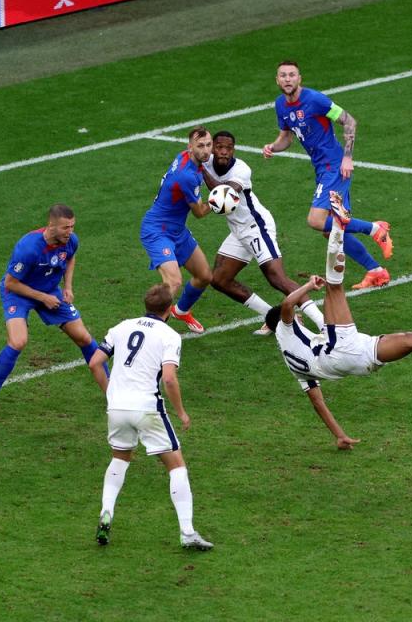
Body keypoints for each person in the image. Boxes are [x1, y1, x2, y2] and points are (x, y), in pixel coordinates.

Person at [265, 198, 412, 449]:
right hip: (338, 351)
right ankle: (339, 225)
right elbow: (287, 305)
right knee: (334, 287)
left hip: (356, 361)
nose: (298, 316)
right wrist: (307, 286)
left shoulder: (293, 364)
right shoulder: (284, 330)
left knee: (411, 339)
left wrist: (339, 434)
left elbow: (318, 402)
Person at [88, 284, 213, 550]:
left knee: (119, 458)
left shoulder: (121, 327)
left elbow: (95, 362)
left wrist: (111, 393)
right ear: (169, 309)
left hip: (117, 407)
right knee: (176, 465)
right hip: (146, 407)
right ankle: (188, 532)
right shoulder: (169, 336)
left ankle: (106, 512)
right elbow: (168, 377)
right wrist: (181, 412)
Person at [262, 59, 393, 290]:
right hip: (322, 168)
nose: (288, 79)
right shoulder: (281, 105)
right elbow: (287, 137)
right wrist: (273, 146)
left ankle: (375, 229)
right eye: (283, 75)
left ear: (299, 78)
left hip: (334, 167)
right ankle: (376, 272)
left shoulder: (315, 100)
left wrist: (348, 157)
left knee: (316, 221)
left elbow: (349, 121)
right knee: (331, 230)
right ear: (277, 80)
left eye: (292, 75)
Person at [0, 204, 104, 423]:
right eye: (66, 227)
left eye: (73, 226)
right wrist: (42, 298)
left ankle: (111, 393)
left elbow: (71, 257)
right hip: (19, 293)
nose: (70, 231)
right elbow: (11, 283)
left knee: (84, 337)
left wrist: (68, 287)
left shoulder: (70, 241)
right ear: (51, 226)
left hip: (50, 291)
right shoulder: (28, 248)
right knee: (18, 341)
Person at [202, 130, 326, 335]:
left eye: (229, 148)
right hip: (238, 230)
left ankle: (324, 324)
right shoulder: (205, 162)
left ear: (234, 150)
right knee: (219, 280)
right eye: (219, 147)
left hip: (257, 227)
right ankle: (275, 317)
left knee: (277, 278)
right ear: (213, 148)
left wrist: (200, 169)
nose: (224, 152)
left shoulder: (241, 169)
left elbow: (224, 195)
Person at [140, 126, 216, 334]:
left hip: (177, 230)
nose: (206, 151)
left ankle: (181, 311)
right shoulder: (186, 176)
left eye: (209, 145)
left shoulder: (185, 158)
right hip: (157, 231)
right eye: (200, 146)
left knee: (204, 275)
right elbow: (200, 213)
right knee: (173, 281)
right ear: (190, 147)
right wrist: (218, 201)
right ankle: (149, 333)